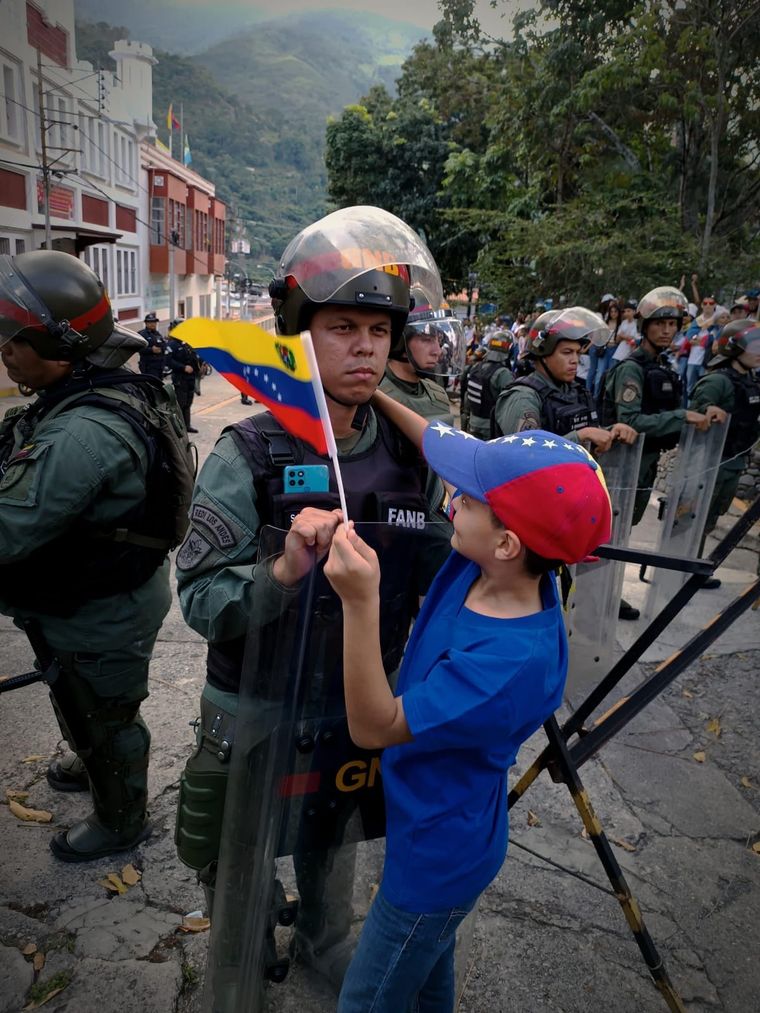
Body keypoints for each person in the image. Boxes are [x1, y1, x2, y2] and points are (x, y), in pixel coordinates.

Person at [173, 205, 453, 984]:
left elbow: (442, 570)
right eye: (342, 327)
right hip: (257, 702)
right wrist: (283, 570)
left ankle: (326, 957)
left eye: (379, 329)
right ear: (301, 332)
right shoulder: (249, 453)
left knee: (334, 852)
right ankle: (246, 955)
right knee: (237, 863)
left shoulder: (413, 452)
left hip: (356, 702)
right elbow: (199, 596)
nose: (364, 346)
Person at [324, 405, 612, 1013]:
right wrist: (376, 395)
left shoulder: (506, 665)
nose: (451, 500)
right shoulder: (502, 566)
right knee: (429, 982)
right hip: (442, 828)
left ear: (506, 542)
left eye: (469, 498)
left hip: (436, 860)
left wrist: (359, 601)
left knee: (368, 999)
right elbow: (437, 440)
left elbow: (375, 726)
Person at [0, 250, 191, 861]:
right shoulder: (98, 385)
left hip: (100, 610)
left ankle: (120, 819)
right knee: (75, 694)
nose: (5, 351)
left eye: (15, 341)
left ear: (58, 347)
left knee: (107, 719)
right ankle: (89, 761)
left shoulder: (81, 433)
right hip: (93, 594)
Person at [600, 286, 724, 530]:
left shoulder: (662, 366)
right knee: (610, 532)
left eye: (672, 324)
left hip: (646, 461)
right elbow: (630, 422)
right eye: (660, 323)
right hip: (623, 464)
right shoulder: (631, 369)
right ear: (645, 326)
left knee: (625, 527)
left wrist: (703, 411)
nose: (667, 330)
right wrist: (683, 417)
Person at [492, 308, 635, 453]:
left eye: (577, 353)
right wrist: (580, 437)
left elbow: (587, 433)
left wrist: (611, 433)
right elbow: (528, 453)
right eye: (567, 352)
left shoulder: (575, 391)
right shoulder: (523, 398)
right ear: (543, 355)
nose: (575, 360)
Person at [689, 318, 760, 587]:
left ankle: (693, 568)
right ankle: (682, 569)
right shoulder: (717, 381)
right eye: (754, 346)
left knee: (710, 519)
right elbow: (695, 420)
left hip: (734, 461)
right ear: (734, 347)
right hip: (710, 464)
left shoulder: (751, 381)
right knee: (693, 519)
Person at [378, 319, 454, 424]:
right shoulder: (374, 397)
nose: (438, 351)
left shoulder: (438, 395)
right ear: (400, 343)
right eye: (427, 339)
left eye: (439, 341)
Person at [463, 331, 515, 439]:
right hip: (491, 428)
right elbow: (510, 405)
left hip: (473, 423)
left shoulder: (475, 368)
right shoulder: (503, 374)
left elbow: (467, 398)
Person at [167, 318, 201, 432]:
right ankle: (178, 428)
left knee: (188, 403)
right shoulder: (172, 344)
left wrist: (200, 366)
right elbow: (168, 361)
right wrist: (183, 367)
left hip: (190, 378)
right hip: (180, 378)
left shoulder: (187, 344)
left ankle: (187, 426)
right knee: (180, 404)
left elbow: (194, 358)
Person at [137, 311, 167, 378]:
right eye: (150, 322)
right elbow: (138, 348)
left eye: (154, 322)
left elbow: (164, 345)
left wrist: (161, 349)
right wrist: (151, 350)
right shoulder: (142, 334)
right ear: (146, 323)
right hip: (148, 366)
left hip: (159, 366)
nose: (152, 324)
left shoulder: (157, 334)